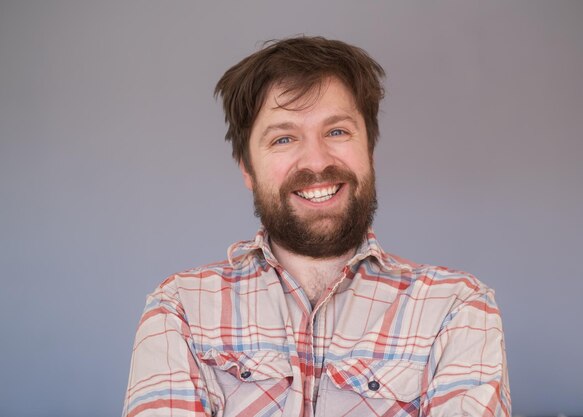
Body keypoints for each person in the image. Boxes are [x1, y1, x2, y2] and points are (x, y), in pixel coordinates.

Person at [122, 36, 511, 417]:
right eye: (284, 138)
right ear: (248, 169)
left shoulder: (458, 308)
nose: (316, 160)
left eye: (337, 131)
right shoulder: (180, 309)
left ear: (369, 151)